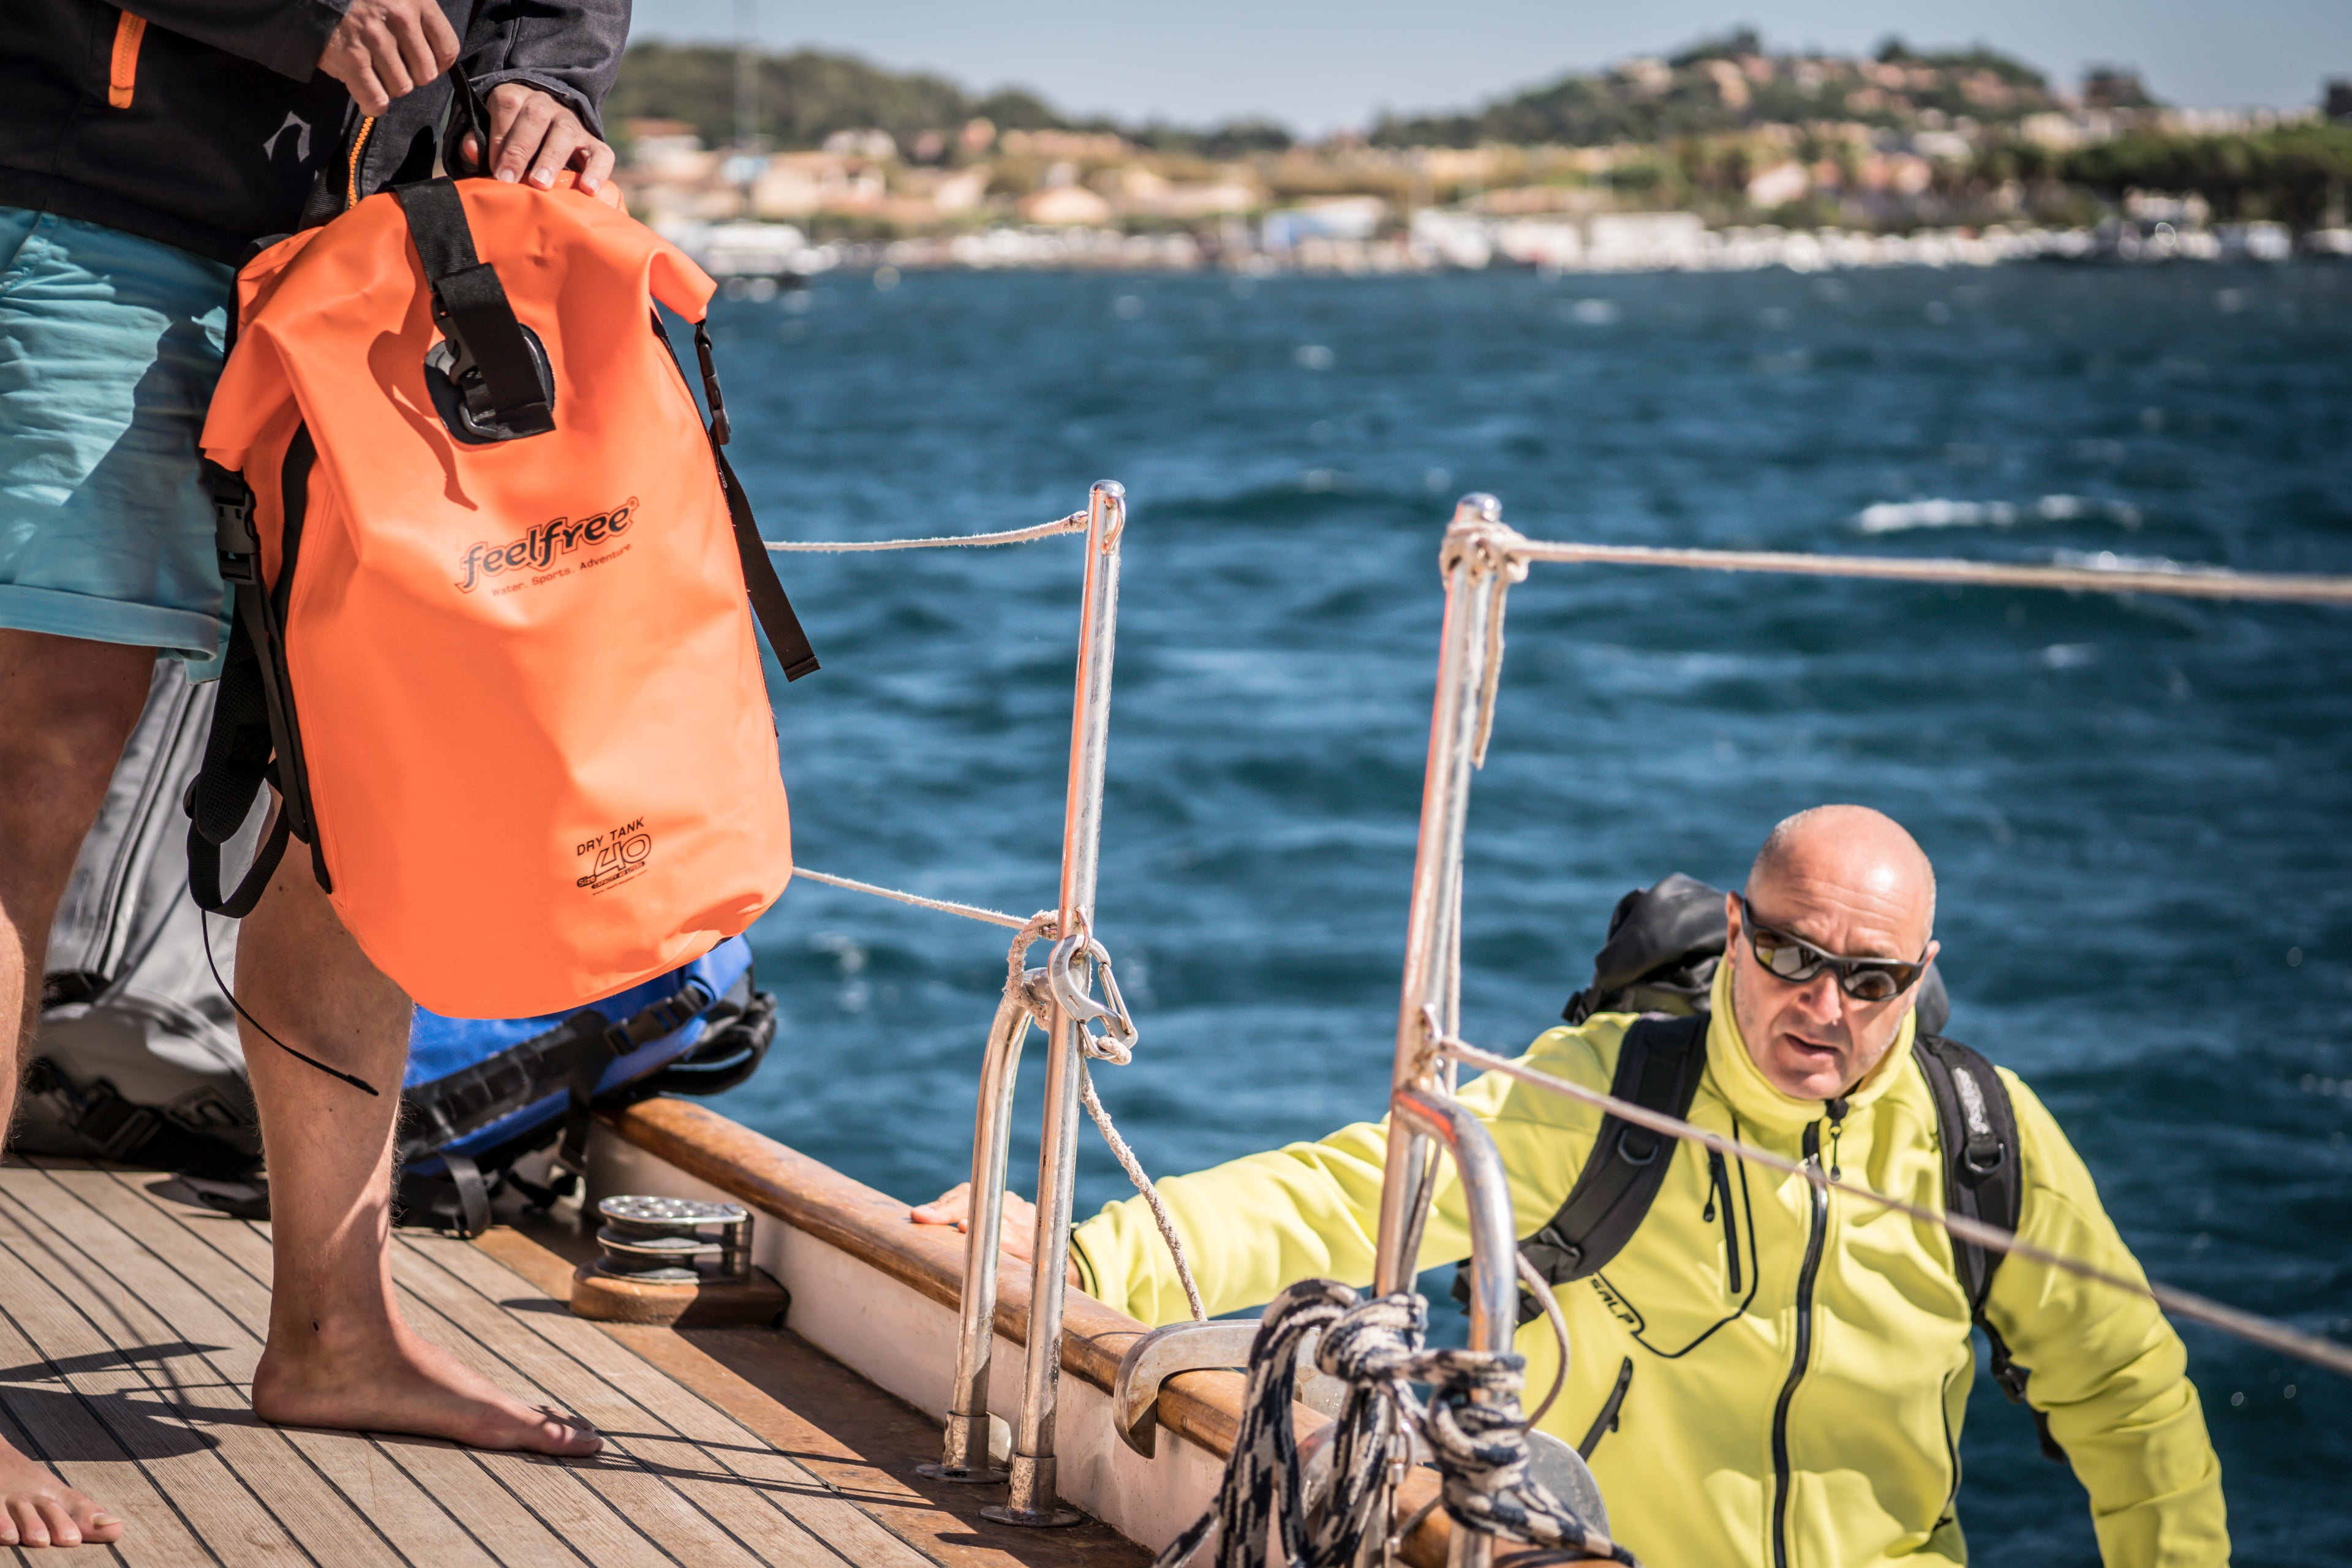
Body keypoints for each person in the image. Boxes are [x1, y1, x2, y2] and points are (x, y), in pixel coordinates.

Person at [916, 805, 2228, 1566]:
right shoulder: (1612, 1092)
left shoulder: (1984, 1139)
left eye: (1872, 977)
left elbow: (2126, 1395)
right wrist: (1086, 1252)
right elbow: (1355, 1186)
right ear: (1735, 928)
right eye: (1788, 954)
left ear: (1923, 970)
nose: (1825, 1005)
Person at [1, 0, 627, 1547]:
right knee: (28, 773)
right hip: (94, 203)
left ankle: (337, 1331)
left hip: (390, 254)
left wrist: (544, 88)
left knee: (360, 796)